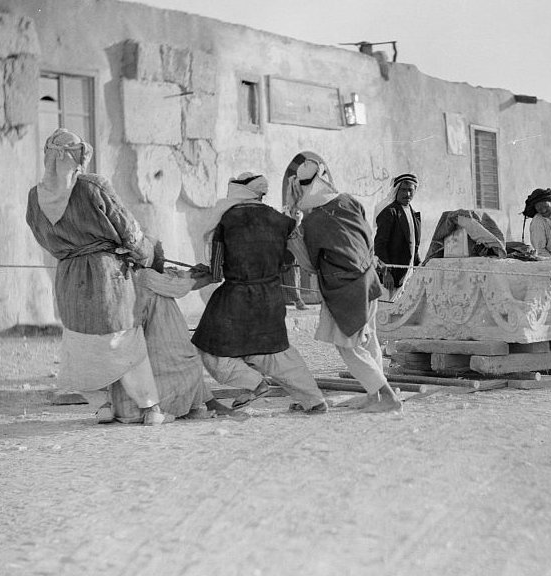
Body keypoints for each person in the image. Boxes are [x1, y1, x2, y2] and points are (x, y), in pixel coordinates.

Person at [25, 128, 168, 425]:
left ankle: (103, 406)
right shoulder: (93, 186)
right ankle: (149, 408)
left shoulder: (34, 198)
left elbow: (42, 239)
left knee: (81, 343)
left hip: (68, 276)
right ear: (78, 157)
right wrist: (148, 256)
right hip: (106, 274)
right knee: (123, 339)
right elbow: (129, 230)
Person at [191, 172, 327, 413]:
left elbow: (216, 273)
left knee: (211, 348)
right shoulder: (281, 220)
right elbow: (288, 261)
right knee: (276, 353)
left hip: (235, 298)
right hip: (271, 296)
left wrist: (200, 272)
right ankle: (314, 399)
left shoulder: (226, 219)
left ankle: (254, 384)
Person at [287, 159, 402, 413]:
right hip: (369, 279)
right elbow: (367, 239)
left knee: (347, 345)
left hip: (345, 290)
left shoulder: (313, 221)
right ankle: (376, 396)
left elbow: (309, 264)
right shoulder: (350, 200)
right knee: (369, 339)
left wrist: (294, 236)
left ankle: (387, 397)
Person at [110, 262, 237, 421]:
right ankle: (201, 405)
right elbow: (179, 286)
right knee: (187, 363)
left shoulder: (147, 273)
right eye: (158, 250)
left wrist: (193, 273)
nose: (162, 254)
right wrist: (211, 276)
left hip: (156, 331)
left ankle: (197, 406)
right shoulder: (144, 275)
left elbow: (175, 279)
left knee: (188, 361)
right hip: (156, 334)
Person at [374, 173, 421, 291]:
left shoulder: (414, 215)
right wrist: (386, 273)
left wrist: (419, 266)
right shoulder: (390, 212)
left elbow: (413, 246)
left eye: (410, 190)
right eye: (403, 190)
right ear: (396, 191)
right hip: (390, 279)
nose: (407, 194)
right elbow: (380, 245)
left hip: (408, 277)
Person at [281, 205, 308, 310]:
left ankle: (297, 300)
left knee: (294, 275)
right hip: (285, 252)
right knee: (290, 276)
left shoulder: (298, 222)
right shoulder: (285, 220)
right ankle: (297, 301)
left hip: (292, 253)